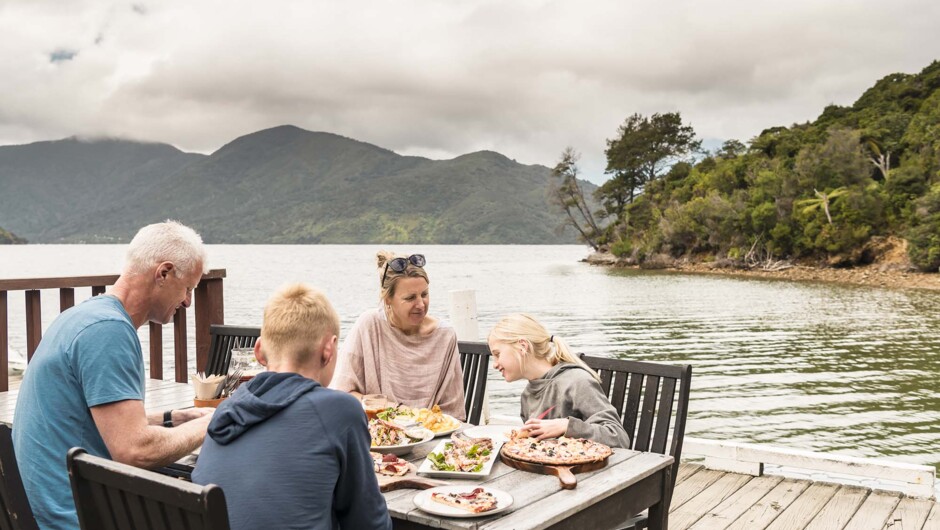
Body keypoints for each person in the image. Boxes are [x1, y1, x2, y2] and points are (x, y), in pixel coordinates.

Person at [13, 220, 215, 530]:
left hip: (39, 510)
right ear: (163, 273)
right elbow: (134, 451)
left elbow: (91, 419)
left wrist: (175, 418)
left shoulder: (83, 317)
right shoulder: (109, 332)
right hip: (72, 518)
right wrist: (214, 422)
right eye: (189, 288)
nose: (188, 301)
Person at [192, 283, 391, 530]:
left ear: (259, 351)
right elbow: (370, 524)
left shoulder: (225, 411)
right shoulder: (340, 411)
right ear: (328, 350)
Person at [330, 251, 466, 420]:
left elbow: (453, 411)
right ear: (387, 299)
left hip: (432, 434)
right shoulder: (370, 325)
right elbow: (343, 393)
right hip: (378, 435)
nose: (420, 304)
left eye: (424, 294)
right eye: (410, 298)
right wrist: (398, 411)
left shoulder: (445, 335)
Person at [487, 313, 631, 448]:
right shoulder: (528, 394)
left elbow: (618, 437)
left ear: (522, 347)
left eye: (497, 354)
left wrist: (566, 426)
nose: (494, 364)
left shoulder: (577, 382)